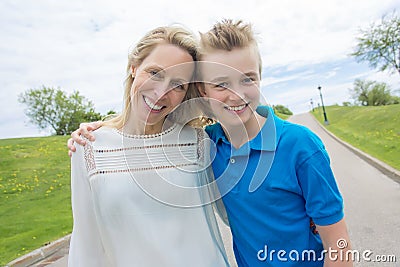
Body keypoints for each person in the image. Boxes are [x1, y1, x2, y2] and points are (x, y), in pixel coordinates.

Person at [69, 20, 352, 266]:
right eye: (220, 84)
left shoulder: (208, 144)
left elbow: (338, 246)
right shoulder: (209, 143)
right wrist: (104, 127)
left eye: (248, 79)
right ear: (133, 68)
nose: (236, 95)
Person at [67, 25, 230, 267]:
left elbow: (238, 212)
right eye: (155, 73)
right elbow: (86, 246)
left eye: (178, 85)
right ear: (134, 67)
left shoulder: (198, 143)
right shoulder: (88, 146)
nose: (162, 92)